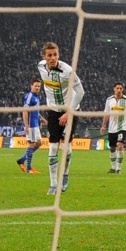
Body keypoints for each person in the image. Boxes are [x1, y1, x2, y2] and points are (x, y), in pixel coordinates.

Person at [37, 42, 85, 195]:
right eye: (49, 55)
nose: (53, 58)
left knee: (65, 147)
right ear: (44, 56)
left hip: (70, 111)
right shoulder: (40, 67)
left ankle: (64, 174)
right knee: (52, 147)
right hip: (53, 112)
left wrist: (68, 112)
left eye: (55, 55)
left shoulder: (67, 71)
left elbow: (80, 92)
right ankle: (53, 184)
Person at [100, 82, 126, 174]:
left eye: (121, 88)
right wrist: (103, 125)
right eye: (117, 88)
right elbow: (106, 114)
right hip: (111, 128)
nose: (119, 90)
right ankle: (113, 167)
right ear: (114, 89)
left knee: (120, 145)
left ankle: (118, 169)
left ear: (122, 89)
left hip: (122, 127)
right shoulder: (109, 100)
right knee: (112, 148)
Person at [16, 79, 46, 174]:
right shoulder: (29, 97)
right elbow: (25, 111)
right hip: (31, 125)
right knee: (32, 145)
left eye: (38, 86)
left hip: (36, 124)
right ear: (31, 86)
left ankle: (21, 160)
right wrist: (26, 125)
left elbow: (35, 109)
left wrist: (41, 118)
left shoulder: (37, 97)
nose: (37, 88)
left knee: (39, 143)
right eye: (35, 86)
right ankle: (29, 169)